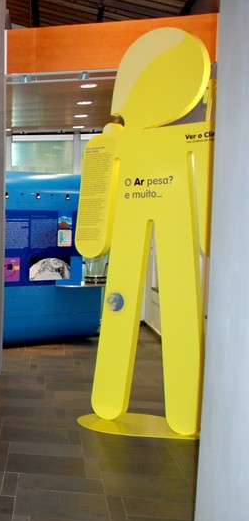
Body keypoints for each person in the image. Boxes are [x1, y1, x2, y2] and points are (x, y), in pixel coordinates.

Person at [76, 28, 214, 437]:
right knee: (118, 305)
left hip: (175, 222)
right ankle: (109, 398)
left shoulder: (190, 136)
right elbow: (98, 189)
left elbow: (208, 181)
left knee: (180, 307)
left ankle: (184, 411)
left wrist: (209, 232)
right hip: (132, 223)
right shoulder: (118, 142)